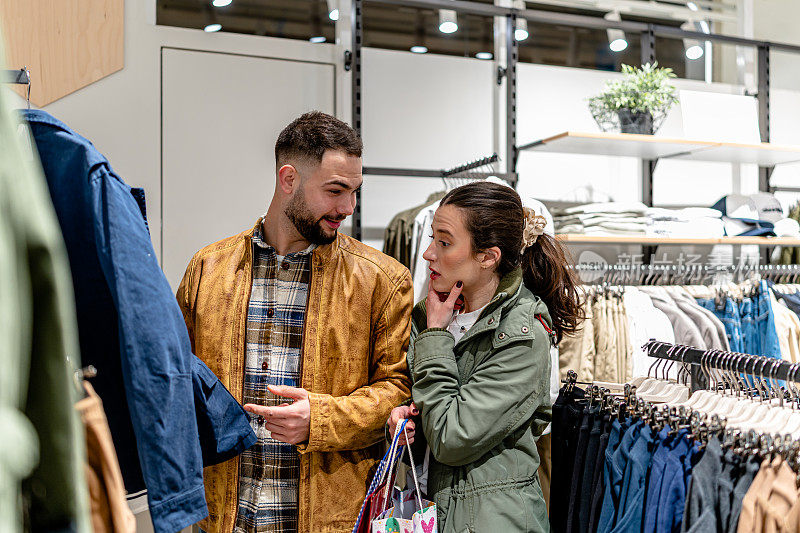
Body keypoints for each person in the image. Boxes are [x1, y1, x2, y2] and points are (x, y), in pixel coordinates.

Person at [177, 111, 413, 533]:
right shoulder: (207, 269)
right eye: (336, 190)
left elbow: (398, 390)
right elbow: (178, 380)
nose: (348, 208)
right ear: (288, 180)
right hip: (222, 518)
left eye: (355, 191)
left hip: (329, 519)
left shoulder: (383, 280)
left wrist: (319, 420)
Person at [387, 181, 584, 532]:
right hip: (436, 514)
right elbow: (432, 426)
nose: (428, 253)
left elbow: (452, 438)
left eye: (444, 242)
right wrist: (405, 429)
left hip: (494, 521)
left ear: (487, 256)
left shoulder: (523, 333)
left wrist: (434, 337)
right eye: (432, 237)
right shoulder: (429, 314)